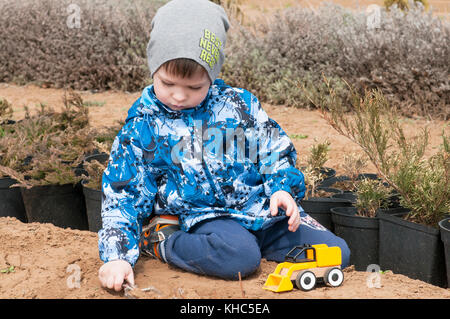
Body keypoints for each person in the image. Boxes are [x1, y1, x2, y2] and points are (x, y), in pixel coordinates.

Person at [98, 0, 350, 292]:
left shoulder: (239, 105)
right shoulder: (144, 125)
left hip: (262, 211)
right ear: (153, 68)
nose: (179, 96)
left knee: (335, 253)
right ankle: (164, 240)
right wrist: (116, 257)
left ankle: (254, 244)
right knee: (240, 258)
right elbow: (122, 194)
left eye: (194, 87)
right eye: (167, 84)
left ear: (212, 75)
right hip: (207, 218)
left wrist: (281, 188)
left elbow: (273, 149)